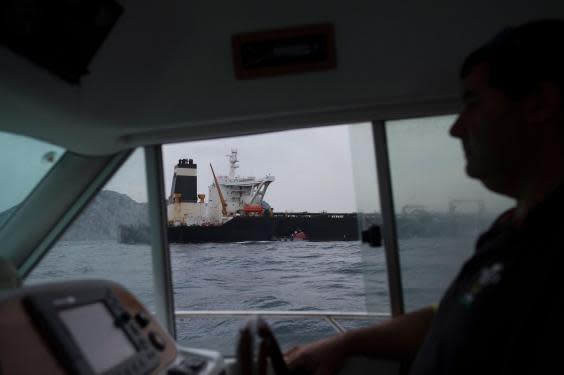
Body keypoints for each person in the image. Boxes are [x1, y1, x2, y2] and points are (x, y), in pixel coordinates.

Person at [285, 19, 564, 375]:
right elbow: (451, 313)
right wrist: (346, 342)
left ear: (539, 104)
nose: (456, 127)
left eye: (473, 103)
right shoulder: (508, 231)